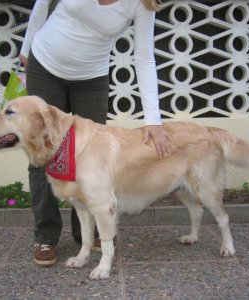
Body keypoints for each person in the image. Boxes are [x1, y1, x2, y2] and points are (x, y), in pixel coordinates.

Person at [19, 0, 174, 267]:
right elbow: (43, 2)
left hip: (92, 78)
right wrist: (26, 48)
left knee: (91, 159)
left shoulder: (142, 3)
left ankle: (86, 235)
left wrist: (153, 120)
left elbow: (145, 58)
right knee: (43, 154)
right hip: (45, 65)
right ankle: (46, 236)